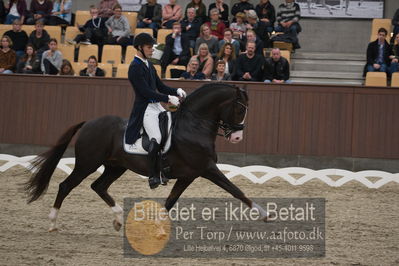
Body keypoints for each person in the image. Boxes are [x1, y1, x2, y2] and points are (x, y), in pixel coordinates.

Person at [125, 33, 186, 189]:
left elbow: (160, 86)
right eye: (148, 47)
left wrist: (175, 91)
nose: (152, 50)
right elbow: (145, 92)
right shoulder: (134, 67)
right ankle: (153, 175)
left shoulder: (149, 65)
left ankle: (165, 169)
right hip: (145, 108)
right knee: (157, 138)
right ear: (139, 48)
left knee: (171, 132)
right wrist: (167, 98)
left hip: (156, 107)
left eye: (152, 47)